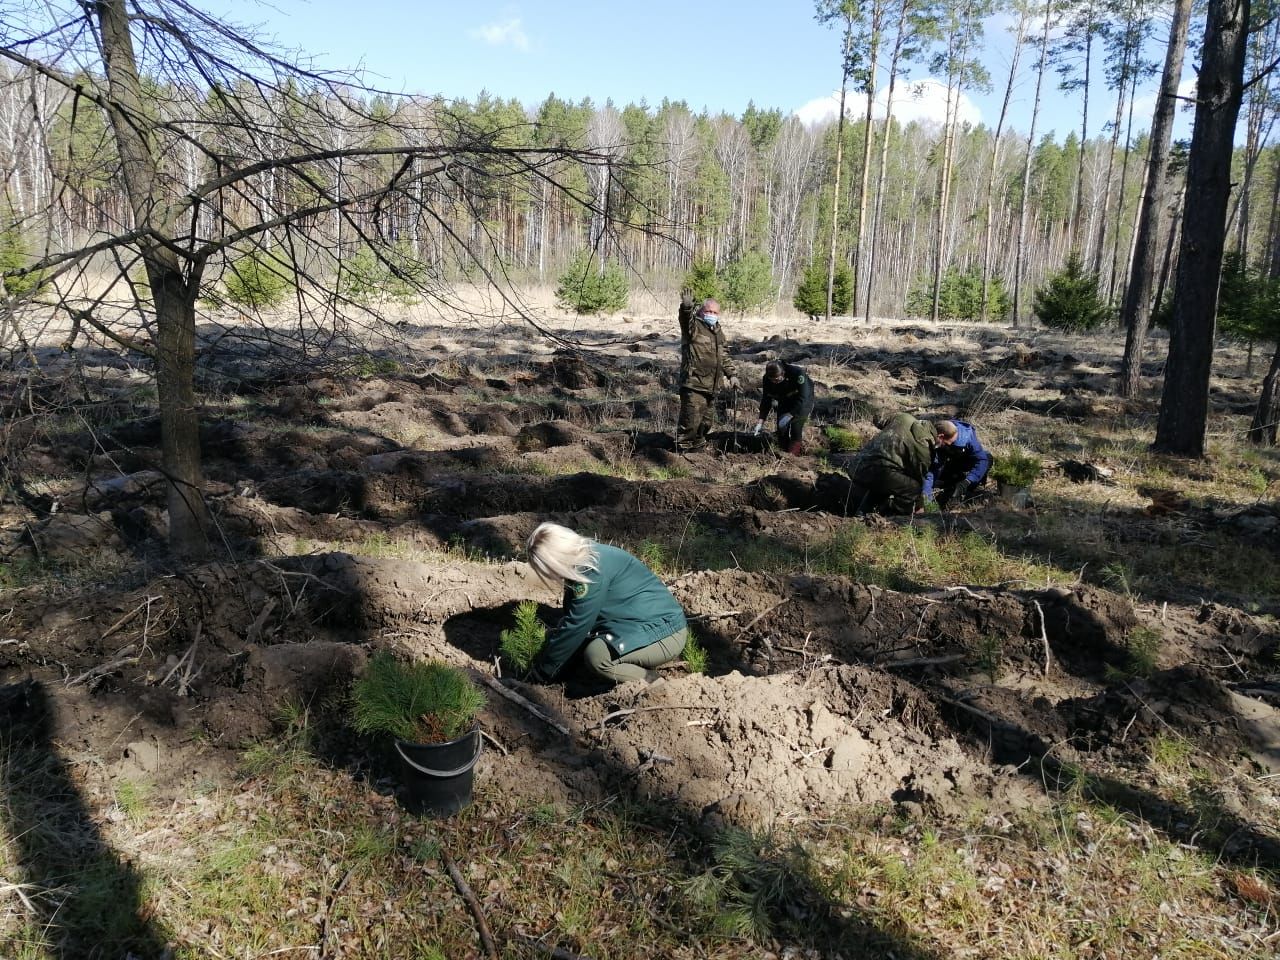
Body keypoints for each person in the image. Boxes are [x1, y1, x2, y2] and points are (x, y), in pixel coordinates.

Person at [525, 522, 689, 685]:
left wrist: (541, 674)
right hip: (641, 626)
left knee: (597, 656)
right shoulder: (587, 558)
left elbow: (577, 625)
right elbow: (574, 619)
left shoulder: (591, 572)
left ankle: (652, 681)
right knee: (565, 634)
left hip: (665, 633)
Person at [841, 413, 939, 515]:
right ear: (938, 436)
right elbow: (919, 478)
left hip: (857, 463)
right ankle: (895, 517)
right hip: (872, 470)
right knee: (912, 488)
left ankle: (862, 514)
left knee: (888, 483)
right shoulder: (923, 449)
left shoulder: (905, 418)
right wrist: (920, 505)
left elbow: (884, 419)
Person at [677, 294, 738, 451]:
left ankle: (697, 450)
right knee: (690, 422)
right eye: (708, 311)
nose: (711, 315)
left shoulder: (718, 331)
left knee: (705, 424)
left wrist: (732, 375)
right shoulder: (694, 327)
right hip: (694, 384)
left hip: (712, 385)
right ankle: (683, 453)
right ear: (701, 311)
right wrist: (686, 307)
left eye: (715, 313)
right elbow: (685, 320)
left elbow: (723, 355)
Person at [924, 419, 993, 508]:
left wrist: (967, 481)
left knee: (988, 458)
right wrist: (926, 499)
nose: (949, 444)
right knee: (941, 480)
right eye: (948, 443)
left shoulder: (968, 437)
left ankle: (971, 487)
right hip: (953, 464)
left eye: (952, 443)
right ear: (941, 437)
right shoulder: (939, 442)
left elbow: (982, 460)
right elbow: (933, 470)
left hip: (968, 463)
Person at [754, 359, 814, 454]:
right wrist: (760, 422)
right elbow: (766, 400)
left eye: (777, 380)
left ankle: (792, 456)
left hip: (802, 400)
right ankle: (783, 452)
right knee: (782, 428)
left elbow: (803, 397)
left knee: (796, 427)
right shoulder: (767, 378)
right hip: (784, 398)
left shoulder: (798, 374)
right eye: (772, 380)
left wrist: (790, 415)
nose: (774, 382)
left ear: (783, 373)